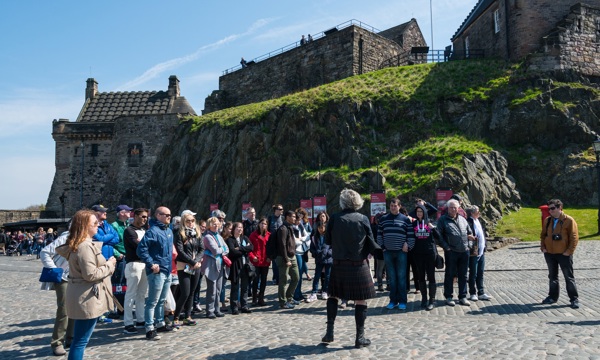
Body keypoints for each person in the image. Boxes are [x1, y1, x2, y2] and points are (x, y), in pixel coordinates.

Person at [322, 189, 380, 348]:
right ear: (357, 202)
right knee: (360, 299)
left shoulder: (334, 218)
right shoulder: (363, 218)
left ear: (342, 202)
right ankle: (359, 338)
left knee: (333, 296)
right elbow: (371, 241)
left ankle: (330, 332)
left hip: (339, 264)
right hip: (358, 264)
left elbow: (327, 240)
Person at [55, 210, 116, 360]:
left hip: (84, 293)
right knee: (80, 341)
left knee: (80, 340)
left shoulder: (82, 244)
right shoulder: (84, 246)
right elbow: (91, 274)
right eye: (95, 223)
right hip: (86, 296)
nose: (98, 225)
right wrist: (110, 264)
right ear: (84, 226)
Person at [136, 206, 175, 340]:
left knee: (162, 300)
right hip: (157, 271)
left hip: (167, 270)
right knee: (152, 301)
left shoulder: (169, 231)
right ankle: (149, 328)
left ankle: (160, 323)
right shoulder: (152, 231)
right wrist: (151, 264)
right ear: (158, 215)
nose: (169, 217)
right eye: (167, 215)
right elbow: (141, 249)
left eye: (170, 215)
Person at [540, 199, 579, 309]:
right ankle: (552, 297)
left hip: (564, 254)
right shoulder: (547, 220)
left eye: (552, 208)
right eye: (549, 209)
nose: (550, 211)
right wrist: (543, 247)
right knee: (552, 276)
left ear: (559, 208)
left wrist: (569, 251)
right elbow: (543, 235)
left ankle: (574, 299)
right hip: (550, 253)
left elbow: (574, 237)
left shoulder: (569, 220)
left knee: (568, 277)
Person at [377, 198, 415, 310]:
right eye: (391, 206)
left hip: (401, 252)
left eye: (395, 205)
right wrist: (382, 247)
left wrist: (408, 245)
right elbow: (379, 234)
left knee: (401, 277)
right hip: (388, 252)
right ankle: (393, 300)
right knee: (392, 278)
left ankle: (403, 301)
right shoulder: (383, 219)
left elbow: (411, 235)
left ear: (399, 206)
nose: (393, 207)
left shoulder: (405, 220)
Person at [40, 230, 73, 356]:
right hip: (64, 277)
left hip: (77, 278)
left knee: (75, 309)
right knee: (64, 310)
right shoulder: (66, 237)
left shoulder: (87, 238)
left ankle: (71, 338)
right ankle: (57, 342)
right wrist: (55, 270)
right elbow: (45, 252)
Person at [437, 199, 476, 307]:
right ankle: (449, 297)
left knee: (463, 275)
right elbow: (438, 236)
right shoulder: (443, 220)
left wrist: (469, 246)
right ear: (448, 208)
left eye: (455, 207)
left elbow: (469, 233)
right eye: (451, 207)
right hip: (451, 252)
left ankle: (462, 296)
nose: (453, 209)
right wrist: (446, 247)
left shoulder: (463, 219)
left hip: (464, 251)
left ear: (458, 208)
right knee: (450, 275)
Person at [173, 210, 204, 325]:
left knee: (192, 292)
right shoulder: (179, 233)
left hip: (196, 266)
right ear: (183, 221)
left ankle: (188, 316)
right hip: (184, 265)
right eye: (188, 221)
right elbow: (180, 251)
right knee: (185, 292)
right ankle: (176, 316)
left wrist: (195, 262)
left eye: (192, 220)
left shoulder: (197, 232)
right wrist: (191, 261)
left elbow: (201, 248)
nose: (191, 223)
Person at [122, 208, 149, 334]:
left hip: (144, 263)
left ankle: (140, 319)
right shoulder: (129, 230)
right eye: (142, 216)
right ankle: (128, 322)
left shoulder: (145, 230)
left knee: (142, 294)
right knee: (131, 294)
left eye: (146, 217)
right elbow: (139, 246)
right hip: (134, 263)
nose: (145, 219)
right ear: (135, 216)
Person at [201, 217, 229, 319]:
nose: (216, 225)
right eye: (213, 224)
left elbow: (227, 249)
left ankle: (217, 309)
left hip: (220, 265)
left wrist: (221, 249)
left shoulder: (219, 236)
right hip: (211, 265)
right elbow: (215, 251)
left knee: (218, 289)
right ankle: (210, 310)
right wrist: (222, 249)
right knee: (212, 289)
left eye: (217, 224)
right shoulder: (208, 237)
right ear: (209, 225)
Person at [411, 204, 438, 310]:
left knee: (431, 276)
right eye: (417, 212)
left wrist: (433, 228)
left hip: (429, 253)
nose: (419, 213)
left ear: (424, 212)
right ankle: (424, 298)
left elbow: (438, 236)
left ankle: (432, 300)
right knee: (420, 277)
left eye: (421, 211)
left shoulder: (429, 222)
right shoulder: (413, 224)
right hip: (418, 254)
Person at [225, 222, 254, 314]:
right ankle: (234, 307)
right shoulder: (230, 240)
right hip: (236, 266)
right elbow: (233, 251)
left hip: (245, 265)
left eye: (241, 228)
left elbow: (251, 247)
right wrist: (244, 249)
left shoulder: (244, 238)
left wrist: (240, 248)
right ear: (234, 229)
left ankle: (244, 305)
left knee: (245, 287)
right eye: (238, 227)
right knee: (235, 286)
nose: (240, 229)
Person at [466, 205, 493, 302]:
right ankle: (472, 293)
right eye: (477, 211)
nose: (479, 213)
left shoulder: (478, 221)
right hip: (473, 251)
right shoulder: (468, 221)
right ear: (472, 213)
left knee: (480, 273)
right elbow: (467, 235)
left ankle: (481, 292)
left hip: (481, 251)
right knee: (473, 273)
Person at [275, 210, 300, 309]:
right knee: (283, 280)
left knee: (296, 277)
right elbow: (282, 245)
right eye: (293, 216)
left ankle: (289, 297)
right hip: (284, 257)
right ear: (287, 217)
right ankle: (283, 302)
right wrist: (286, 259)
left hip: (292, 256)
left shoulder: (290, 227)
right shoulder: (283, 229)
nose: (295, 218)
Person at [307, 223, 332, 302]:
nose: (321, 229)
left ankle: (325, 291)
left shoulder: (330, 237)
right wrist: (316, 253)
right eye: (319, 228)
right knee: (317, 276)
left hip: (328, 259)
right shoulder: (314, 237)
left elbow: (333, 247)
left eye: (323, 227)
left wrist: (328, 253)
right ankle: (314, 292)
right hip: (319, 259)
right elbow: (312, 248)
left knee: (327, 276)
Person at [248, 217, 270, 306]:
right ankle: (254, 298)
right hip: (256, 261)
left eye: (265, 224)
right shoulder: (253, 235)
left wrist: (270, 257)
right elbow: (249, 248)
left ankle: (261, 298)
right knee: (255, 280)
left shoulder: (269, 235)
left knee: (264, 281)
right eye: (261, 223)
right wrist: (252, 257)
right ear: (258, 224)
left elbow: (272, 248)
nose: (263, 225)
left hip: (265, 261)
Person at [268, 204, 284, 284]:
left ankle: (280, 277)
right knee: (274, 262)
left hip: (281, 243)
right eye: (280, 209)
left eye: (282, 209)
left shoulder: (283, 218)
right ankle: (275, 278)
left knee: (281, 261)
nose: (282, 211)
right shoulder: (270, 219)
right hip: (273, 243)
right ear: (276, 210)